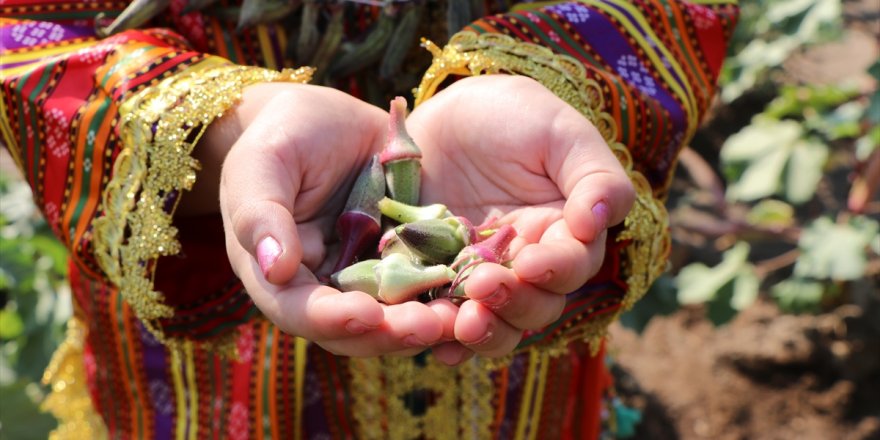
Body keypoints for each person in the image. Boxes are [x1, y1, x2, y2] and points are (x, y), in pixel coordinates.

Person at [0, 0, 738, 438]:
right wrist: (229, 130)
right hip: (208, 331)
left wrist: (534, 79)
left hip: (514, 243)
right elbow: (24, 30)